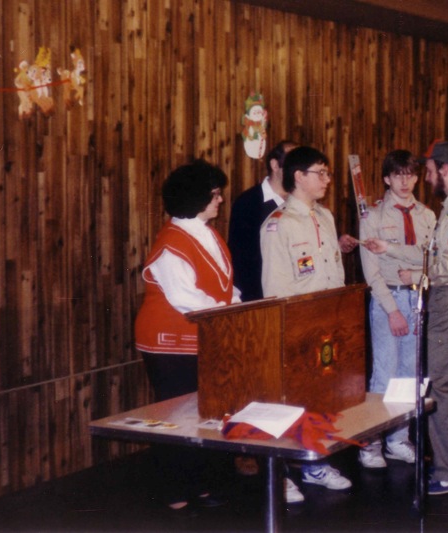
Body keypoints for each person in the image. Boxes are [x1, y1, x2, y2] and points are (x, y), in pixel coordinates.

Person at [363, 140, 448, 496]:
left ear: (444, 169)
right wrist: (392, 250)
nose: (425, 177)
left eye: (429, 171)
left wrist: (418, 276)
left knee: (440, 387)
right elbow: (432, 252)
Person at [134, 159, 240, 510]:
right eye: (215, 194)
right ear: (195, 197)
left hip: (205, 335)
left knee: (205, 412)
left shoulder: (207, 233)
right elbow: (185, 298)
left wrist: (240, 303)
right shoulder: (171, 242)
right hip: (170, 341)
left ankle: (202, 482)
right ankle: (175, 490)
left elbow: (224, 286)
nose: (220, 199)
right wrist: (230, 311)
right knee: (175, 415)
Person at [260, 145, 354, 501]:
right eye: (321, 173)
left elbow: (334, 272)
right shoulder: (278, 224)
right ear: (298, 176)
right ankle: (283, 472)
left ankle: (314, 464)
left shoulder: (325, 217)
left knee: (321, 398)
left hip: (328, 323)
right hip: (298, 325)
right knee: (291, 400)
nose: (327, 179)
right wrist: (288, 331)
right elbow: (275, 286)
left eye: (327, 173)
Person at [357, 150, 436, 469]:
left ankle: (398, 439)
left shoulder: (427, 216)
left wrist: (415, 273)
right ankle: (371, 443)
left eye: (410, 175)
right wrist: (392, 310)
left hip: (417, 297)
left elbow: (432, 259)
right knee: (384, 372)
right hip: (386, 299)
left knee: (409, 374)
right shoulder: (372, 217)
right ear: (387, 179)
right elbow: (371, 271)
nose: (405, 181)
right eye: (398, 175)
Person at [228, 140, 297, 302]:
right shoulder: (248, 203)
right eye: (293, 163)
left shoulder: (299, 200)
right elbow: (242, 260)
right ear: (275, 165)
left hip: (295, 290)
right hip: (261, 295)